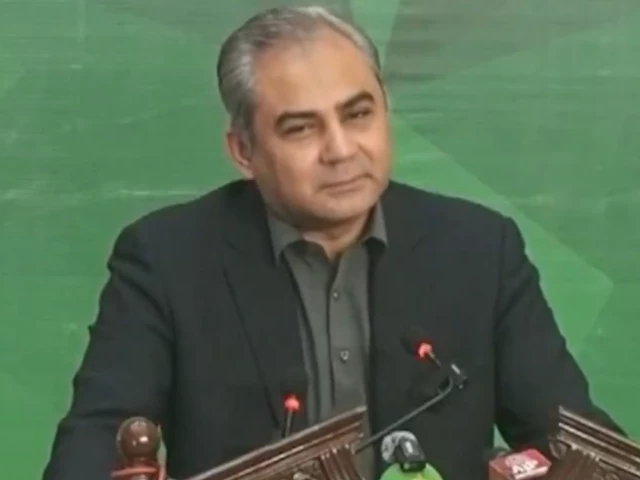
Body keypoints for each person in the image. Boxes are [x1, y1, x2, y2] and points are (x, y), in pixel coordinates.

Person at [42, 6, 622, 480]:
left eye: (359, 114)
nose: (341, 150)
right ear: (243, 150)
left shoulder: (479, 249)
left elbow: (575, 439)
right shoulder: (166, 259)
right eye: (302, 128)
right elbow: (93, 446)